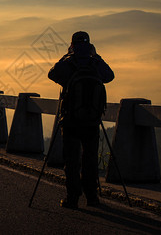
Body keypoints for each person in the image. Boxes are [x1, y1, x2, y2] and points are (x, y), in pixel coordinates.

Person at [48, 31, 114, 209]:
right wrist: (96, 56)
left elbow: (52, 74)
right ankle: (92, 197)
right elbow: (109, 76)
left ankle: (72, 198)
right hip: (92, 121)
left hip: (71, 120)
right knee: (90, 159)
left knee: (71, 160)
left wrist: (67, 55)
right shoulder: (95, 63)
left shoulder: (69, 62)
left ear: (72, 44)